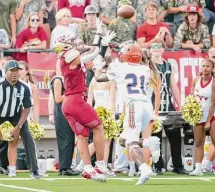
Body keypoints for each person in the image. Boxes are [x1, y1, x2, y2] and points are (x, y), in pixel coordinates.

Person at [56, 32, 116, 181]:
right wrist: (100, 41)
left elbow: (94, 57)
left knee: (82, 136)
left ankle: (88, 168)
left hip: (68, 103)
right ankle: (101, 164)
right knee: (98, 127)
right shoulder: (67, 58)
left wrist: (101, 44)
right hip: (76, 100)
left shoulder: (71, 62)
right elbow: (92, 53)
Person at [107, 44, 160, 185]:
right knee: (122, 140)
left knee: (130, 142)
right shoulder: (145, 69)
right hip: (146, 107)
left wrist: (103, 50)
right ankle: (149, 142)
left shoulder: (121, 68)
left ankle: (144, 168)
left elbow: (101, 76)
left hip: (133, 107)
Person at [75, 56, 116, 177]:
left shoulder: (93, 80)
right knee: (106, 141)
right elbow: (112, 99)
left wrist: (87, 114)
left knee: (98, 141)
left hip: (95, 110)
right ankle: (102, 166)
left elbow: (89, 100)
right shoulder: (111, 80)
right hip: (106, 111)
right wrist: (112, 115)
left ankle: (84, 163)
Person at [149, 42, 185, 175]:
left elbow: (173, 86)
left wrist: (180, 105)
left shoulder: (169, 65)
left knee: (175, 136)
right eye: (153, 47)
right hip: (153, 104)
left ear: (163, 50)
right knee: (155, 137)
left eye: (158, 47)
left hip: (167, 105)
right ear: (150, 50)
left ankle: (178, 165)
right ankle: (157, 166)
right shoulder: (148, 65)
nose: (156, 49)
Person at [189, 59, 215, 176]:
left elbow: (213, 103)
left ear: (212, 68)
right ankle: (198, 168)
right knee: (198, 142)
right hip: (198, 114)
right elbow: (191, 98)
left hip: (212, 114)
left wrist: (208, 121)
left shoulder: (214, 84)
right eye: (203, 66)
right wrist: (191, 112)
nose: (205, 69)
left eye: (208, 67)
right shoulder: (195, 80)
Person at [49, 60, 80, 176]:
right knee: (65, 139)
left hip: (67, 110)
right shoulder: (58, 80)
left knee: (69, 139)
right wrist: (72, 93)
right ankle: (64, 167)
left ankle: (65, 167)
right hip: (61, 111)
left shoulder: (65, 79)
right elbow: (57, 99)